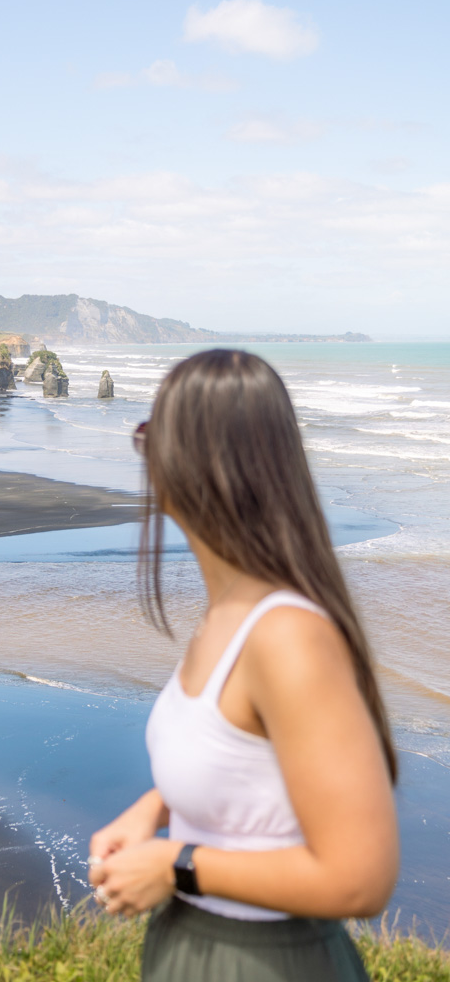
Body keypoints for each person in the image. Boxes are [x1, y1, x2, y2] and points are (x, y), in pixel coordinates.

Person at [88, 349, 398, 981]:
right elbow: (245, 769)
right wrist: (156, 808)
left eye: (150, 439)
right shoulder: (226, 615)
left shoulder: (286, 635)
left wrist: (176, 863)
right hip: (195, 943)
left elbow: (360, 879)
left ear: (192, 464)